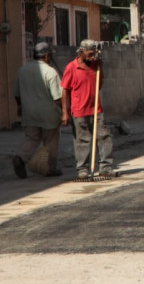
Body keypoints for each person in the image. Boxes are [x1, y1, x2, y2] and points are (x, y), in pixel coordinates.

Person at [61, 39, 114, 179]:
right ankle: (82, 169)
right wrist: (65, 112)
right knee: (83, 141)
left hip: (96, 109)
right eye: (90, 54)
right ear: (81, 52)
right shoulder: (71, 68)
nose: (92, 57)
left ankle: (105, 167)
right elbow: (65, 90)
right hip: (79, 111)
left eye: (94, 54)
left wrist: (100, 68)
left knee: (104, 137)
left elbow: (99, 85)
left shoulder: (96, 66)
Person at [11, 42, 64, 178]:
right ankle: (49, 168)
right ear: (46, 56)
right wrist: (65, 111)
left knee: (32, 138)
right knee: (51, 140)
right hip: (48, 113)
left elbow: (17, 94)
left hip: (29, 112)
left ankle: (21, 158)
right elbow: (57, 97)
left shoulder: (22, 70)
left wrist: (20, 106)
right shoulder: (50, 72)